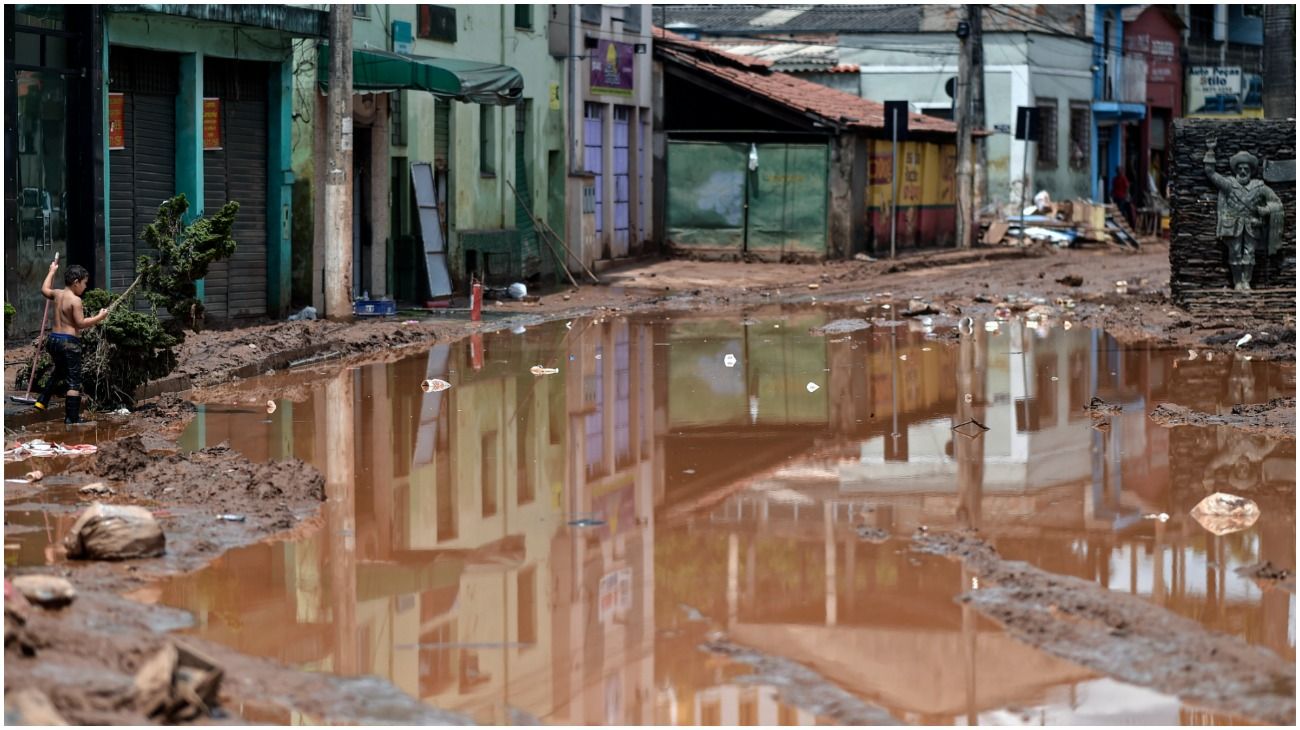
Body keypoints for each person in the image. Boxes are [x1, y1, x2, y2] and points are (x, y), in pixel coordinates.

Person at [1204, 136, 1285, 290]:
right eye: (1240, 168)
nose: (1242, 171)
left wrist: (1266, 209)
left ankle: (1246, 281)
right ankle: (1237, 282)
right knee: (1234, 253)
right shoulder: (1229, 185)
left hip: (1252, 225)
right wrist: (1210, 150)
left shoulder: (1259, 186)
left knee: (1250, 254)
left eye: (1246, 168)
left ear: (1251, 170)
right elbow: (1210, 173)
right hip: (1233, 225)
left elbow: (1276, 202)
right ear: (1235, 169)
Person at [33, 259, 108, 424]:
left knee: (60, 370)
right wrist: (99, 317)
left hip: (53, 341)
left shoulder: (57, 294)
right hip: (69, 343)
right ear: (76, 282)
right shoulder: (75, 300)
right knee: (73, 380)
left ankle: (42, 400)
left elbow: (44, 289)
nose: (86, 286)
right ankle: (72, 418)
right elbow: (80, 324)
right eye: (84, 283)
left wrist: (52, 271)